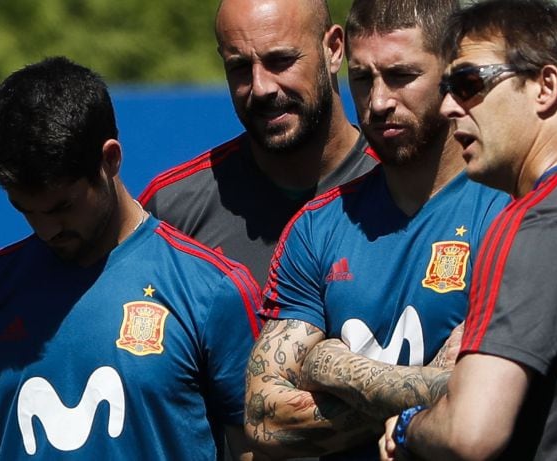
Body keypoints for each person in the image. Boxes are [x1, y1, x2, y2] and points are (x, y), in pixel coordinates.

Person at [0, 57, 262, 461]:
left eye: (62, 206)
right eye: (25, 209)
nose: (46, 228)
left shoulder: (212, 290)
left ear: (110, 159)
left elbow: (254, 450)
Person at [244, 1, 508, 459]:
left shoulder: (510, 212)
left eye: (401, 76)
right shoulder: (317, 226)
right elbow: (265, 421)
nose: (379, 101)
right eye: (363, 79)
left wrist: (334, 366)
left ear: (452, 71)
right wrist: (423, 391)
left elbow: (478, 404)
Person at [381, 1, 557, 459]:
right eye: (446, 88)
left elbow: (471, 432)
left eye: (467, 84)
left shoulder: (538, 219)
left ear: (545, 87)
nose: (447, 107)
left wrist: (407, 428)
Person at [138, 0, 379, 286]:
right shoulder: (171, 211)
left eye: (281, 61)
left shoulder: (402, 185)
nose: (262, 87)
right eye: (239, 66)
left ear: (334, 49)